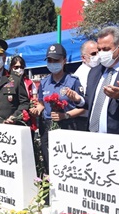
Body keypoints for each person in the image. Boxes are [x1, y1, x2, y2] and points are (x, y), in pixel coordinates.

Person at [31, 43, 86, 174]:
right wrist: (37, 109)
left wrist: (65, 115)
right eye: (50, 60)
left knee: (68, 165)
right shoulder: (44, 82)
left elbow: (83, 108)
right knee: (48, 163)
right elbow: (41, 103)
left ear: (64, 61)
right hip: (47, 127)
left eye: (56, 60)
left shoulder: (73, 81)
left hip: (68, 125)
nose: (52, 63)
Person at [72, 40, 99, 131]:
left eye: (99, 51)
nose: (98, 56)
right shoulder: (78, 76)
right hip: (83, 120)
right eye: (94, 53)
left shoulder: (101, 70)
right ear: (83, 58)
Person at [10, 55, 39, 132]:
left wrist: (32, 106)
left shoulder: (29, 82)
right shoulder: (8, 81)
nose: (19, 69)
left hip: (28, 116)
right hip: (11, 116)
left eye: (21, 67)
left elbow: (34, 99)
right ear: (11, 67)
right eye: (16, 67)